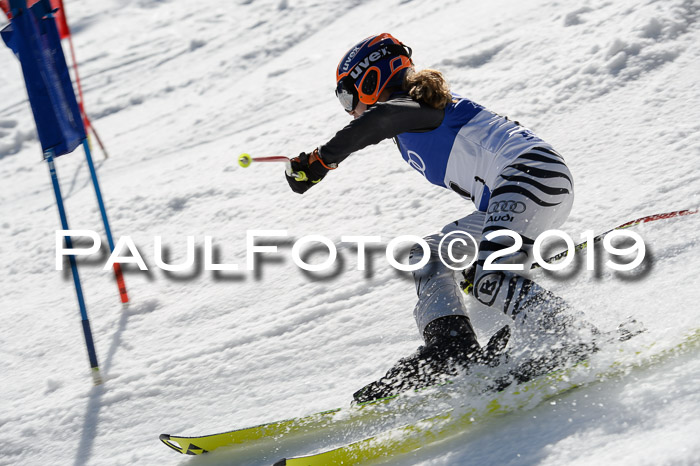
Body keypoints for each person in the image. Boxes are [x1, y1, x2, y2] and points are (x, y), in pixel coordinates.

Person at [285, 33, 598, 403]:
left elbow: (380, 119)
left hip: (529, 177)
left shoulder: (415, 108)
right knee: (429, 254)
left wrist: (322, 160)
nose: (350, 109)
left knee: (491, 278)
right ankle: (451, 347)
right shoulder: (419, 114)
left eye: (347, 96)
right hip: (517, 192)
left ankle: (568, 334)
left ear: (370, 80)